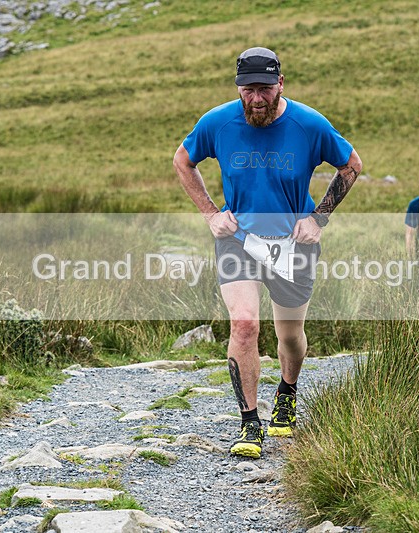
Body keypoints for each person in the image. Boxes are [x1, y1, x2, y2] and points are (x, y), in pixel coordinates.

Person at [174, 46, 362, 459]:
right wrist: (210, 215)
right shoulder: (217, 122)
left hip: (293, 245)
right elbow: (183, 161)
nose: (255, 99)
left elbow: (351, 165)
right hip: (237, 241)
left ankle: (288, 391)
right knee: (244, 325)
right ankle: (249, 423)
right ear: (237, 88)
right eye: (247, 90)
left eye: (263, 89)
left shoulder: (309, 124)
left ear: (281, 84)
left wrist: (318, 218)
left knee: (289, 336)